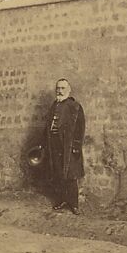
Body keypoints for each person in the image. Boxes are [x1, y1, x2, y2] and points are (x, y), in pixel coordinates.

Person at [44, 79, 85, 214]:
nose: (60, 91)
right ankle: (61, 200)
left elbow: (80, 128)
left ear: (69, 90)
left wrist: (76, 146)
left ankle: (74, 204)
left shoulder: (75, 106)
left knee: (70, 175)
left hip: (68, 146)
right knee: (58, 174)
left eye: (62, 88)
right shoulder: (54, 105)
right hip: (55, 144)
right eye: (58, 88)